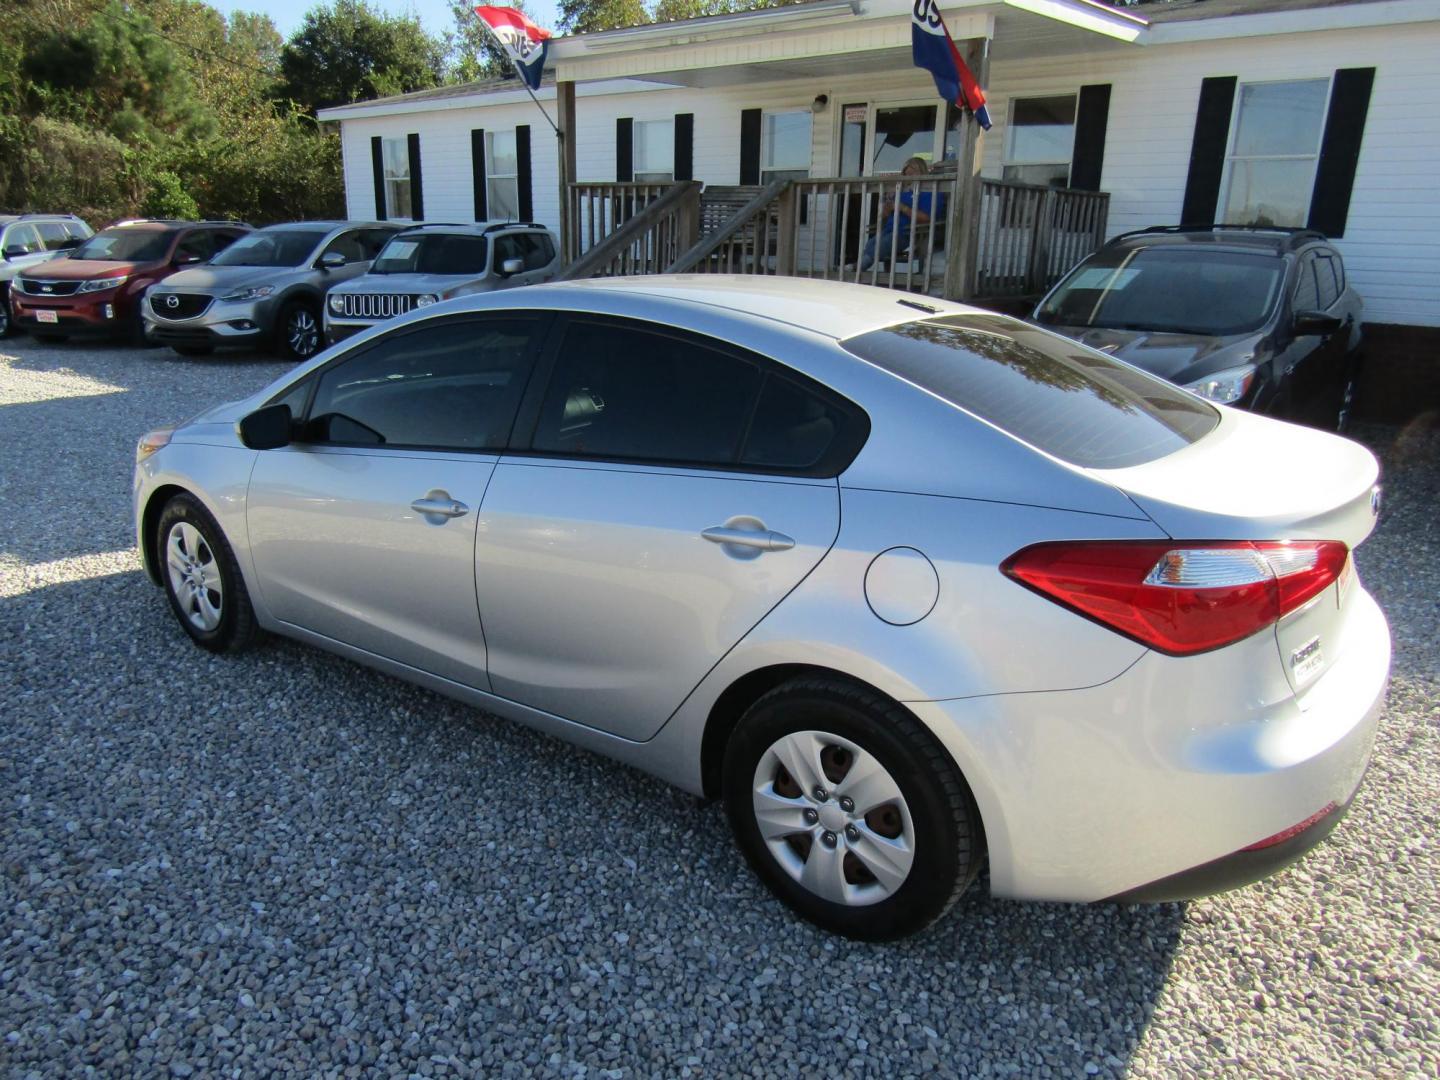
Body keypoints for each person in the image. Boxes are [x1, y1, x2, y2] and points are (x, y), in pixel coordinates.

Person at [858, 157, 947, 271]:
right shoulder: (903, 191)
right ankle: (857, 270)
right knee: (871, 243)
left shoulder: (929, 192)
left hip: (909, 232)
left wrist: (902, 207)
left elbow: (926, 218)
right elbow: (884, 216)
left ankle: (856, 270)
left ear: (922, 172)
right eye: (906, 174)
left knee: (883, 245)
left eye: (912, 173)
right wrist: (887, 204)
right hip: (890, 230)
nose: (908, 177)